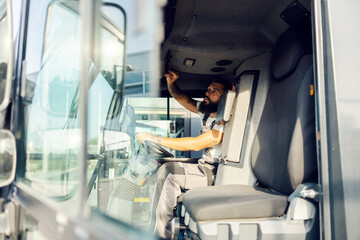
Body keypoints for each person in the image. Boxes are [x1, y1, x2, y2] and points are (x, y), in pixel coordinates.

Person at [136, 70, 231, 239]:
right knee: (163, 168)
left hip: (213, 174)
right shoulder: (207, 112)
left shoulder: (225, 124)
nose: (207, 92)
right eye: (208, 88)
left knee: (169, 172)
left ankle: (161, 235)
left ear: (225, 99)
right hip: (203, 168)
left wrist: (156, 139)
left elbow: (196, 144)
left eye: (214, 91)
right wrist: (171, 83)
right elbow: (182, 98)